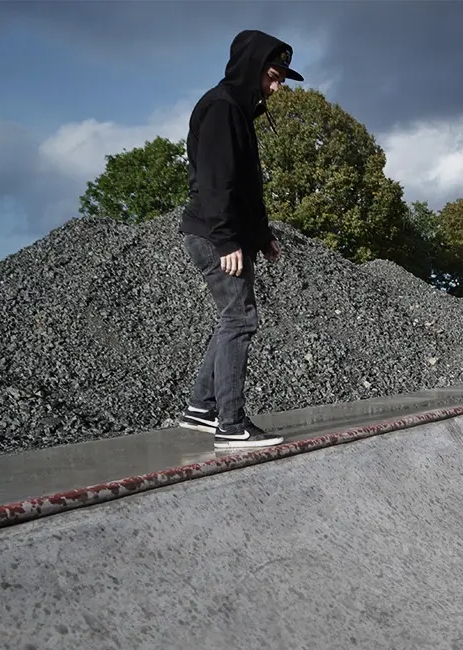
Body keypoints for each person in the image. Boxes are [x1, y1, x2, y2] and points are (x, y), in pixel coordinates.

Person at [177, 29, 304, 449]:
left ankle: (202, 406)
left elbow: (245, 187)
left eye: (282, 77)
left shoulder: (237, 113)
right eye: (273, 75)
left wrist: (262, 235)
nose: (277, 85)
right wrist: (229, 240)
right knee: (240, 319)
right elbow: (215, 183)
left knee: (233, 317)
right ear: (252, 69)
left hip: (226, 233)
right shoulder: (221, 108)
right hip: (215, 234)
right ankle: (230, 424)